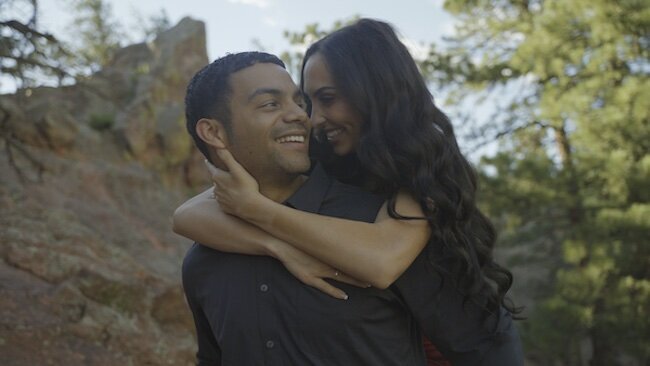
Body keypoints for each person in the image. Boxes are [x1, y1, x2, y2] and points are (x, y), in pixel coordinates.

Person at [176, 19, 524, 365]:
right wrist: (276, 245)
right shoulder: (207, 258)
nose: (308, 117)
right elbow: (186, 215)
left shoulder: (415, 188)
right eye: (308, 102)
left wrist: (258, 210)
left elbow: (383, 262)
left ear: (374, 95)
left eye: (323, 99)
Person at [181, 51, 430, 365]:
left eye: (299, 102)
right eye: (271, 104)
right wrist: (275, 246)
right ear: (214, 132)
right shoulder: (202, 262)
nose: (300, 115)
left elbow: (473, 342)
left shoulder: (382, 216)